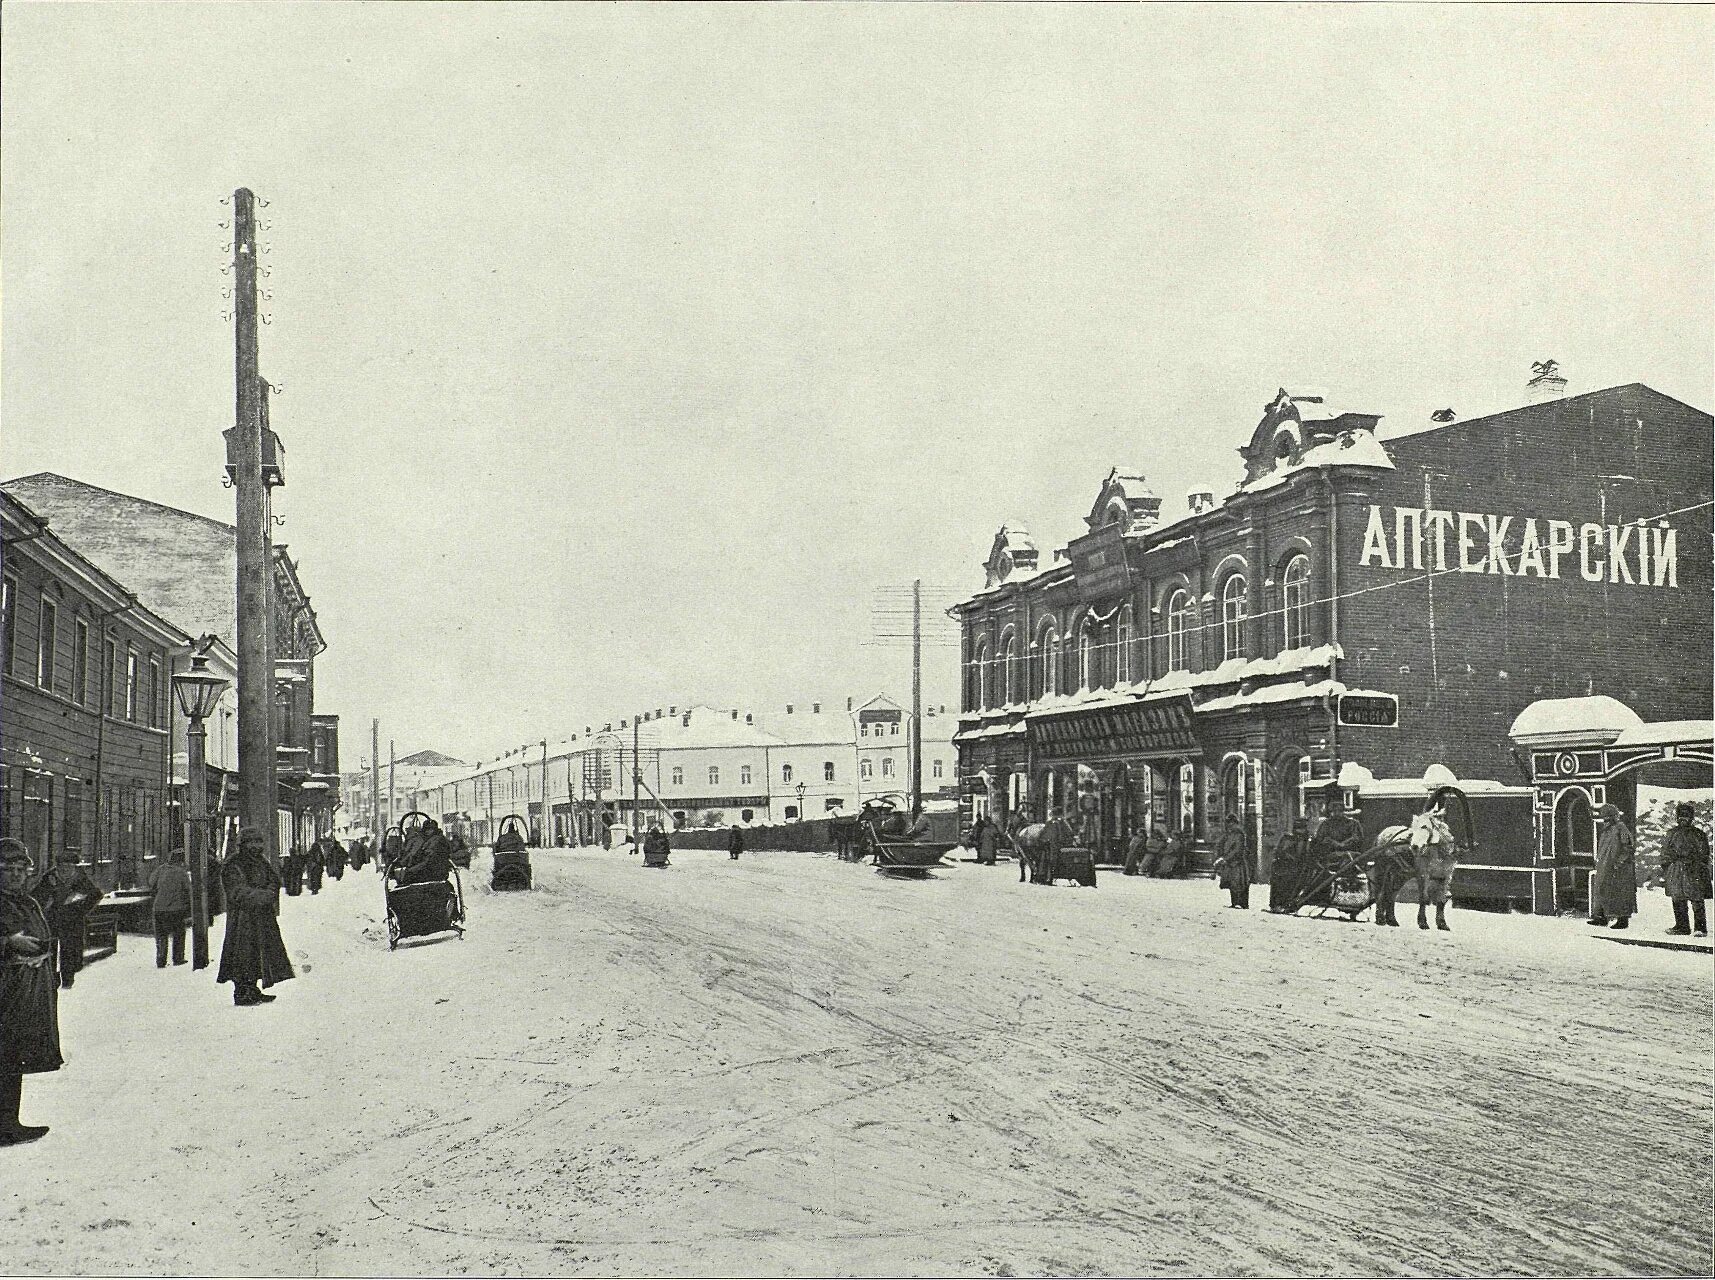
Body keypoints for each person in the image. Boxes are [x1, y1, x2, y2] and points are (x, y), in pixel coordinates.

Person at [1, 839, 62, 1146]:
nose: (14, 875)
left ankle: (9, 1124)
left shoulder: (27, 902)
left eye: (20, 870)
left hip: (26, 991)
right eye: (7, 869)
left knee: (13, 1057)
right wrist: (9, 944)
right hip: (5, 993)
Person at [217, 829, 293, 1006]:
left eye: (259, 842)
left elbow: (274, 881)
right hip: (242, 920)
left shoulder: (262, 862)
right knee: (242, 955)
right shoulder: (233, 864)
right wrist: (264, 896)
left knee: (260, 955)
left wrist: (270, 893)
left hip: (262, 918)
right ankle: (242, 992)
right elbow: (237, 892)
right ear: (243, 844)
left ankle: (253, 989)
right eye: (251, 842)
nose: (256, 846)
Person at [31, 849, 103, 990]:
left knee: (71, 951)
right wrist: (49, 893)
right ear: (57, 866)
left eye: (70, 867)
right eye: (63, 867)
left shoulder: (80, 878)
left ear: (75, 867)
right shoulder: (49, 878)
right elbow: (36, 898)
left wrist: (81, 909)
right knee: (51, 951)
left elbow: (96, 894)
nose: (66, 870)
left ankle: (68, 980)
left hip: (72, 921)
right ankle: (52, 980)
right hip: (52, 921)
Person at [1661, 803, 1711, 937]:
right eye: (1681, 816)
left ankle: (1700, 928)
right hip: (1676, 869)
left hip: (1694, 870)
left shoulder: (1699, 834)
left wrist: (1697, 864)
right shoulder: (1671, 833)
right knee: (1677, 898)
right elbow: (1665, 852)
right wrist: (1668, 866)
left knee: (1696, 899)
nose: (1683, 819)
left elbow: (1705, 854)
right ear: (1677, 817)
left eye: (1686, 816)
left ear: (1691, 818)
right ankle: (1682, 927)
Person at [1589, 803, 1638, 930]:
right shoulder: (1606, 830)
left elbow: (1628, 848)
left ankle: (1623, 920)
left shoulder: (1621, 828)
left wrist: (1618, 863)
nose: (1605, 820)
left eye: (1607, 817)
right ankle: (1601, 918)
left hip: (1618, 868)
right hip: (1605, 866)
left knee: (1620, 893)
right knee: (1603, 890)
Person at [146, 848, 193, 968]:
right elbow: (188, 889)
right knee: (178, 933)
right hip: (176, 909)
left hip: (159, 908)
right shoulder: (182, 873)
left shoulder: (160, 870)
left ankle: (160, 960)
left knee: (161, 935)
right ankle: (178, 958)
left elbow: (151, 883)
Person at [393, 819, 453, 886]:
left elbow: (428, 861)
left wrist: (410, 870)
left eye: (430, 829)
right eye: (426, 829)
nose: (428, 831)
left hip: (434, 871)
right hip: (433, 870)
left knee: (407, 875)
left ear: (435, 830)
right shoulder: (428, 840)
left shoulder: (437, 840)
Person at [1267, 819, 1309, 913]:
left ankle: (1284, 904)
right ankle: (1278, 904)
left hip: (1294, 867)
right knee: (1281, 882)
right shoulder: (1288, 838)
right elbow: (1279, 851)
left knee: (1287, 882)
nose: (1300, 831)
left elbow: (1303, 856)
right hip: (1284, 866)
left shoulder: (1302, 840)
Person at [1213, 812, 1251, 909]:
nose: (1229, 825)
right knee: (1231, 883)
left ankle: (1241, 903)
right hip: (1231, 862)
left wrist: (1226, 858)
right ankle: (1234, 902)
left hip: (1238, 862)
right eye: (1228, 823)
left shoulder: (1239, 834)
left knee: (1239, 883)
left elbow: (1237, 849)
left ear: (1235, 823)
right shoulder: (1229, 834)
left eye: (1231, 823)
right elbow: (1222, 844)